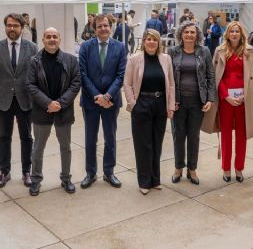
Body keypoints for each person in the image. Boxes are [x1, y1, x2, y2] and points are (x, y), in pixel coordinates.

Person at [204, 21, 253, 182]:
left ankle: (239, 168)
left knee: (241, 136)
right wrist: (226, 96)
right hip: (226, 100)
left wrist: (247, 95)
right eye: (232, 31)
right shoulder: (219, 50)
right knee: (225, 136)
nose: (234, 34)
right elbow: (216, 76)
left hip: (244, 99)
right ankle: (226, 169)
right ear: (227, 34)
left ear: (241, 33)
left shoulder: (249, 51)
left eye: (237, 31)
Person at [0, 13, 38, 188]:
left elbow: (37, 76)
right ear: (5, 27)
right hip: (3, 101)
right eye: (9, 25)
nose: (12, 28)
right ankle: (4, 172)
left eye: (15, 25)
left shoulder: (32, 48)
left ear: (22, 28)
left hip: (25, 100)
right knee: (4, 137)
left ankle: (26, 172)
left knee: (26, 137)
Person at [27, 28, 81, 196]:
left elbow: (76, 83)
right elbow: (30, 85)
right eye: (48, 37)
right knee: (38, 148)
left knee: (65, 147)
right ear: (43, 40)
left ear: (60, 39)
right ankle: (35, 180)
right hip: (42, 111)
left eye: (54, 37)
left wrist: (60, 103)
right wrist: (48, 103)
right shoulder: (34, 61)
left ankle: (66, 178)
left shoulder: (71, 60)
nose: (52, 39)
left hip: (63, 112)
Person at [78, 14, 127, 189]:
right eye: (99, 26)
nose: (103, 29)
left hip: (111, 101)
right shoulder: (85, 47)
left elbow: (121, 75)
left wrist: (107, 96)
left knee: (110, 138)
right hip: (91, 101)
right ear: (94, 28)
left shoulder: (120, 47)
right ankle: (90, 173)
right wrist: (97, 96)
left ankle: (109, 172)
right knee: (90, 139)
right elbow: (82, 74)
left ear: (111, 27)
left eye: (106, 26)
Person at [124, 29, 175, 194]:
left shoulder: (166, 59)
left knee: (156, 144)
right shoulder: (134, 59)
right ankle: (144, 181)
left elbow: (172, 84)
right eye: (148, 39)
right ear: (143, 42)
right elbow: (127, 84)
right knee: (143, 145)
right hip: (142, 105)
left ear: (158, 42)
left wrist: (171, 106)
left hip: (160, 104)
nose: (151, 42)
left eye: (154, 39)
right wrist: (133, 104)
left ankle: (155, 180)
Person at [167, 21, 215, 185]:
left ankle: (192, 169)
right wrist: (171, 100)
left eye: (192, 32)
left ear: (197, 35)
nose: (189, 35)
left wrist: (210, 98)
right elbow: (168, 78)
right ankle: (178, 167)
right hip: (178, 102)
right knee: (178, 136)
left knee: (193, 136)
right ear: (181, 34)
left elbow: (210, 76)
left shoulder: (204, 51)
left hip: (197, 101)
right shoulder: (173, 51)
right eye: (186, 32)